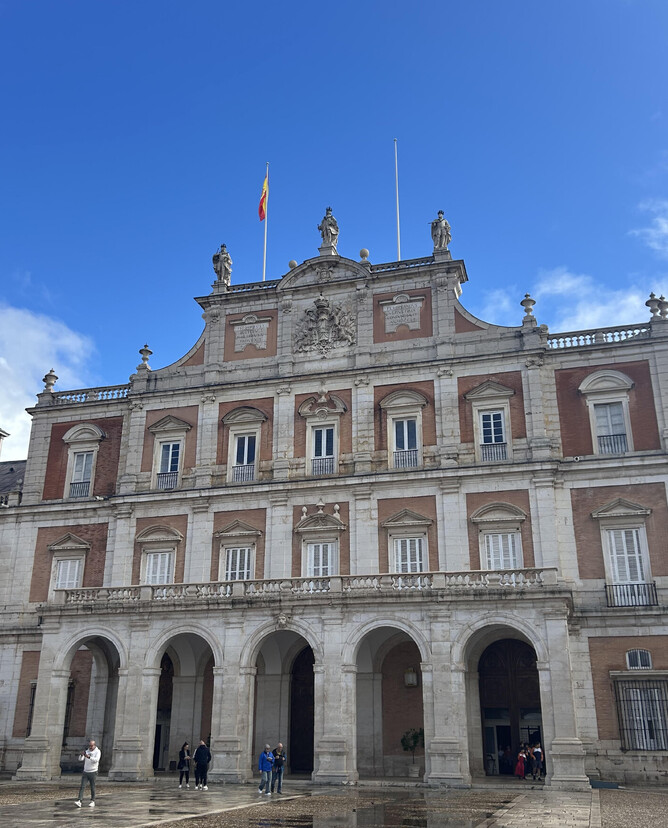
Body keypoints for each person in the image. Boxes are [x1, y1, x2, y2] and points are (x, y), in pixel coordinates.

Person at [74, 738, 101, 808]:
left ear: (94, 745)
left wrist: (89, 757)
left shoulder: (97, 752)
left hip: (93, 771)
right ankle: (79, 800)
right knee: (82, 786)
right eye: (90, 745)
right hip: (85, 771)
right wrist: (82, 755)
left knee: (92, 787)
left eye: (92, 746)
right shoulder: (87, 751)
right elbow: (80, 759)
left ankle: (92, 800)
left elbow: (96, 760)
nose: (90, 747)